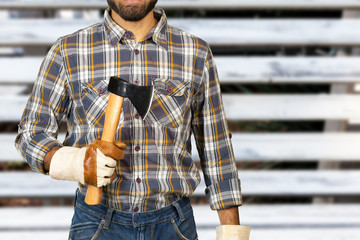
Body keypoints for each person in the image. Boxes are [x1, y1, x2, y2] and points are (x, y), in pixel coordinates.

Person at [15, 0, 243, 239]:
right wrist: (77, 163)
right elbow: (31, 134)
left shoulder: (195, 53)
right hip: (96, 223)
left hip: (174, 226)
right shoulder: (68, 51)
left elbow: (218, 152)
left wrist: (233, 235)